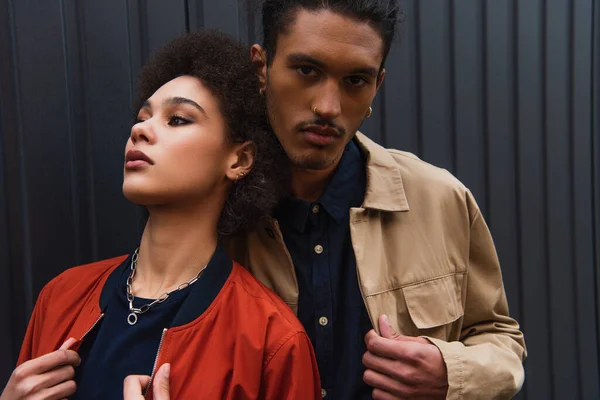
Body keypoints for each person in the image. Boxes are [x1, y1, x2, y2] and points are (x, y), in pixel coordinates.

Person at [225, 1, 528, 399]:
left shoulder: (441, 198)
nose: (328, 107)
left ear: (377, 85)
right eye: (306, 71)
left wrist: (453, 373)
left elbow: (499, 338)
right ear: (261, 68)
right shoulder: (212, 205)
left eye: (355, 80)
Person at [2, 31, 321, 400]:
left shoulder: (273, 342)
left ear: (239, 159)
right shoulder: (59, 298)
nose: (140, 130)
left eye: (179, 119)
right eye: (143, 117)